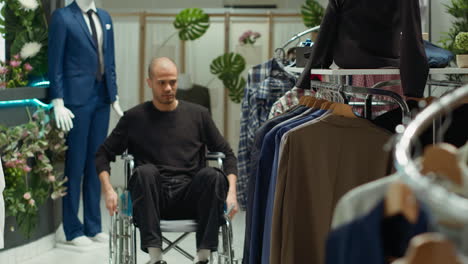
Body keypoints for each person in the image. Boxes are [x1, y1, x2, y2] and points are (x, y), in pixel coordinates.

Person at [95, 57, 239, 264]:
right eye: (162, 82)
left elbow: (227, 154)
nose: (169, 88)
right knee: (145, 172)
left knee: (212, 175)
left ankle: (203, 258)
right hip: (151, 199)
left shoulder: (199, 115)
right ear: (149, 83)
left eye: (172, 82)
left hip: (192, 198)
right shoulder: (134, 118)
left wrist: (231, 192)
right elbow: (103, 153)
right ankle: (156, 259)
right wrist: (108, 190)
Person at [48, 0, 123, 247]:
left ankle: (93, 225)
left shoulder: (105, 17)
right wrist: (58, 100)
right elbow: (55, 60)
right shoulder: (63, 17)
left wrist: (114, 95)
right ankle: (72, 228)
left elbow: (109, 59)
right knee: (75, 164)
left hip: (102, 98)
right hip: (76, 99)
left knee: (96, 162)